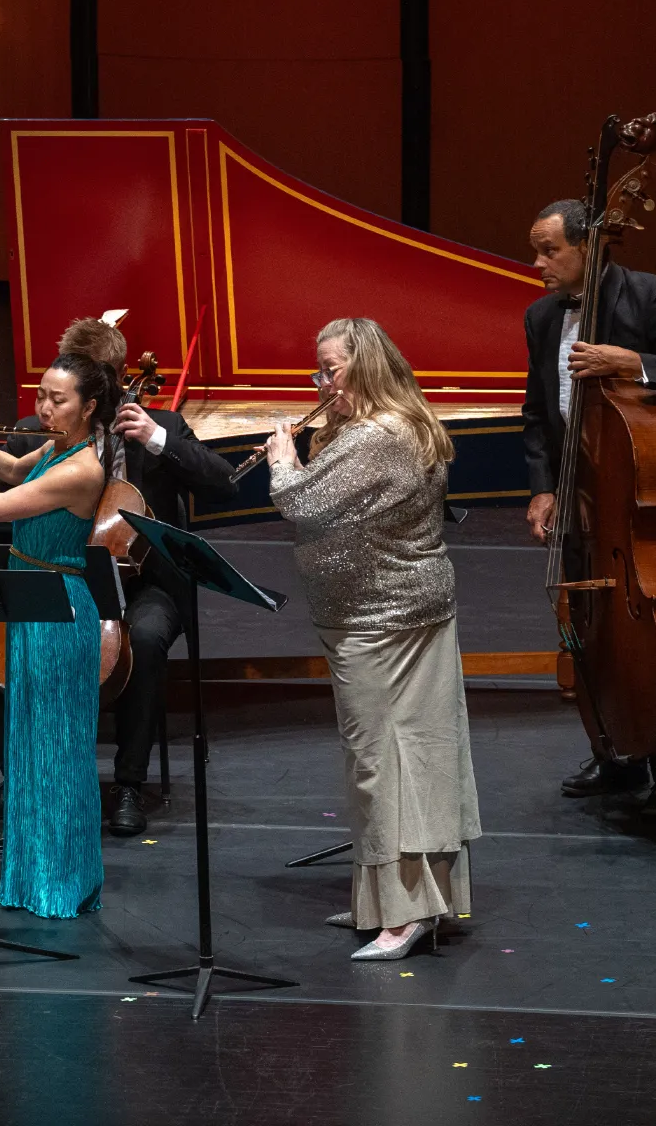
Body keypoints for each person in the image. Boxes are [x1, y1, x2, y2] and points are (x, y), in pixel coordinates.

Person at [268, 317, 481, 961]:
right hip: (379, 614)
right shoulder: (380, 428)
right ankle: (388, 901)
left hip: (383, 623)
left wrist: (284, 463)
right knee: (392, 758)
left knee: (387, 763)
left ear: (365, 367)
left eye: (331, 369)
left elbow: (302, 506)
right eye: (320, 370)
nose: (323, 381)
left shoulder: (380, 437)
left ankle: (407, 914)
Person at [0, 318, 236, 832]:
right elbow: (1, 478)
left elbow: (225, 484)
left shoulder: (161, 427)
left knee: (144, 638)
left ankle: (129, 784)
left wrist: (159, 439)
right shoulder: (42, 433)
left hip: (141, 582)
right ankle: (21, 774)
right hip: (63, 577)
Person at [521, 200, 656, 818]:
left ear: (589, 246)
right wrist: (544, 486)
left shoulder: (647, 295)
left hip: (634, 492)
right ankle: (614, 752)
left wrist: (631, 362)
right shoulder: (540, 316)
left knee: (647, 624)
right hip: (580, 497)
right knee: (593, 620)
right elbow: (538, 412)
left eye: (549, 250)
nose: (538, 264)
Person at [0, 353, 114, 919]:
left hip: (58, 607)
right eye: (41, 396)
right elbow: (17, 473)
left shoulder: (84, 467)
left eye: (58, 400)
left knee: (58, 752)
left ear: (89, 407)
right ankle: (33, 879)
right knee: (29, 747)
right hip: (28, 598)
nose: (44, 408)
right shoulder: (57, 447)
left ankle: (62, 884)